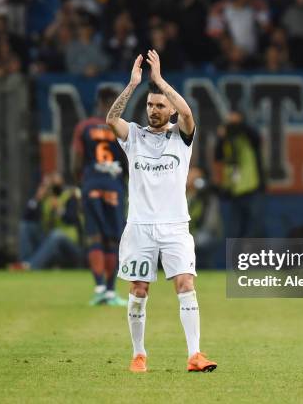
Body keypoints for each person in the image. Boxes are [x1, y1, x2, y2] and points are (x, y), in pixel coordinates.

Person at [106, 50, 217, 373]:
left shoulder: (181, 139)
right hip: (140, 227)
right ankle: (139, 354)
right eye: (150, 105)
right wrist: (133, 85)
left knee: (185, 283)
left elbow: (187, 112)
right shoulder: (135, 137)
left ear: (169, 110)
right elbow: (112, 120)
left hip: (175, 228)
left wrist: (160, 81)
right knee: (139, 290)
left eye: (159, 106)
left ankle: (195, 355)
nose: (153, 110)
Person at [70, 87, 127, 306]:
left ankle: (99, 288)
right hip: (114, 186)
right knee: (113, 239)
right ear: (112, 103)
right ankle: (111, 292)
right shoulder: (120, 127)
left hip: (91, 184)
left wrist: (82, 184)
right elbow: (129, 159)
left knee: (94, 237)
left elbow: (75, 161)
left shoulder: (84, 127)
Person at [12, 172, 82, 270]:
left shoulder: (70, 196)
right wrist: (37, 198)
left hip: (70, 245)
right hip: (49, 243)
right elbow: (26, 217)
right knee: (25, 226)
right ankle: (25, 263)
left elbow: (73, 219)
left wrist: (59, 210)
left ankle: (30, 266)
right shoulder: (45, 199)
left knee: (56, 234)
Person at [212, 111, 264, 238]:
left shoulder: (247, 137)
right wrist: (221, 137)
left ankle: (256, 257)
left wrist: (238, 123)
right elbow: (218, 156)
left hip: (252, 189)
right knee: (235, 231)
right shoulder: (226, 141)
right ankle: (237, 257)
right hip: (234, 191)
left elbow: (256, 137)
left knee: (255, 229)